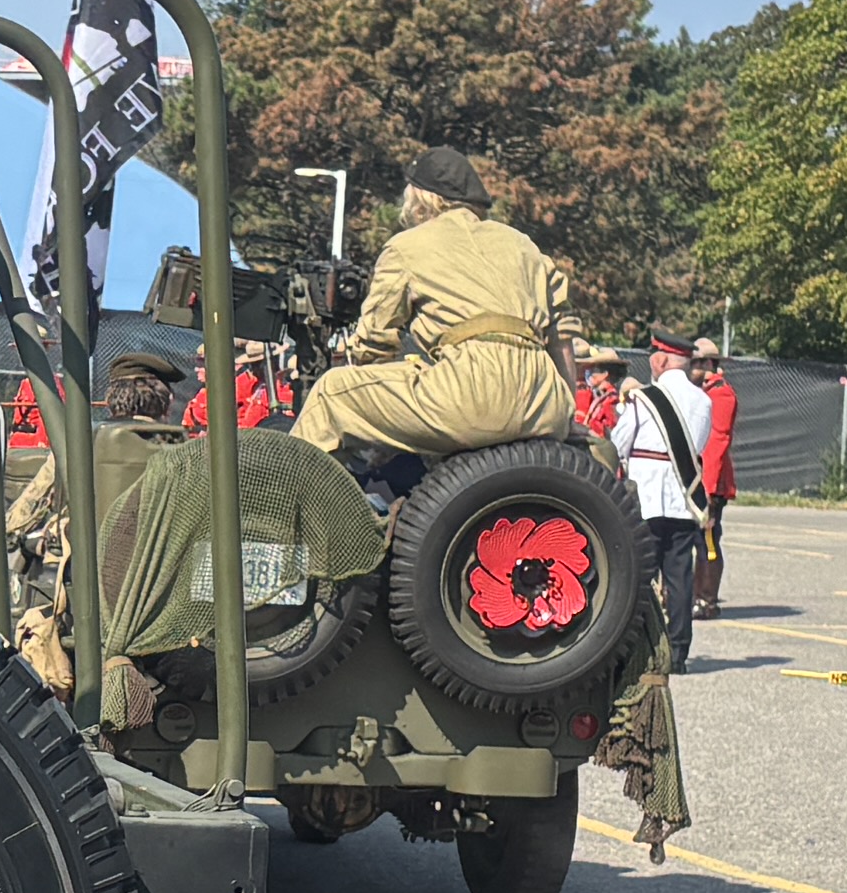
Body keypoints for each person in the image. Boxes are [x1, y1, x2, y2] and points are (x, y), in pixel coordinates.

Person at [286, 149, 576, 472]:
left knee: (330, 394)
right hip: (544, 402)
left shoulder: (407, 246)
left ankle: (283, 502)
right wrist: (570, 418)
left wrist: (381, 423)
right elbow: (562, 338)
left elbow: (373, 344)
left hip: (470, 397)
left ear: (420, 198)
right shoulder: (524, 245)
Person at [601, 348, 703, 664]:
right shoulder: (703, 401)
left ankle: (641, 651)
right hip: (683, 499)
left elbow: (617, 445)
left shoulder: (644, 399)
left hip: (645, 499)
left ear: (659, 362)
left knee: (641, 577)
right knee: (680, 579)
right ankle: (679, 653)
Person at [685, 334, 738, 607]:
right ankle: (696, 595)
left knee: (707, 540)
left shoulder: (721, 394)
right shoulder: (704, 393)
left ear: (708, 364)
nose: (690, 368)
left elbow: (716, 444)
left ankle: (707, 599)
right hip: (699, 478)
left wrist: (708, 487)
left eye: (695, 363)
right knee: (696, 539)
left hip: (711, 481)